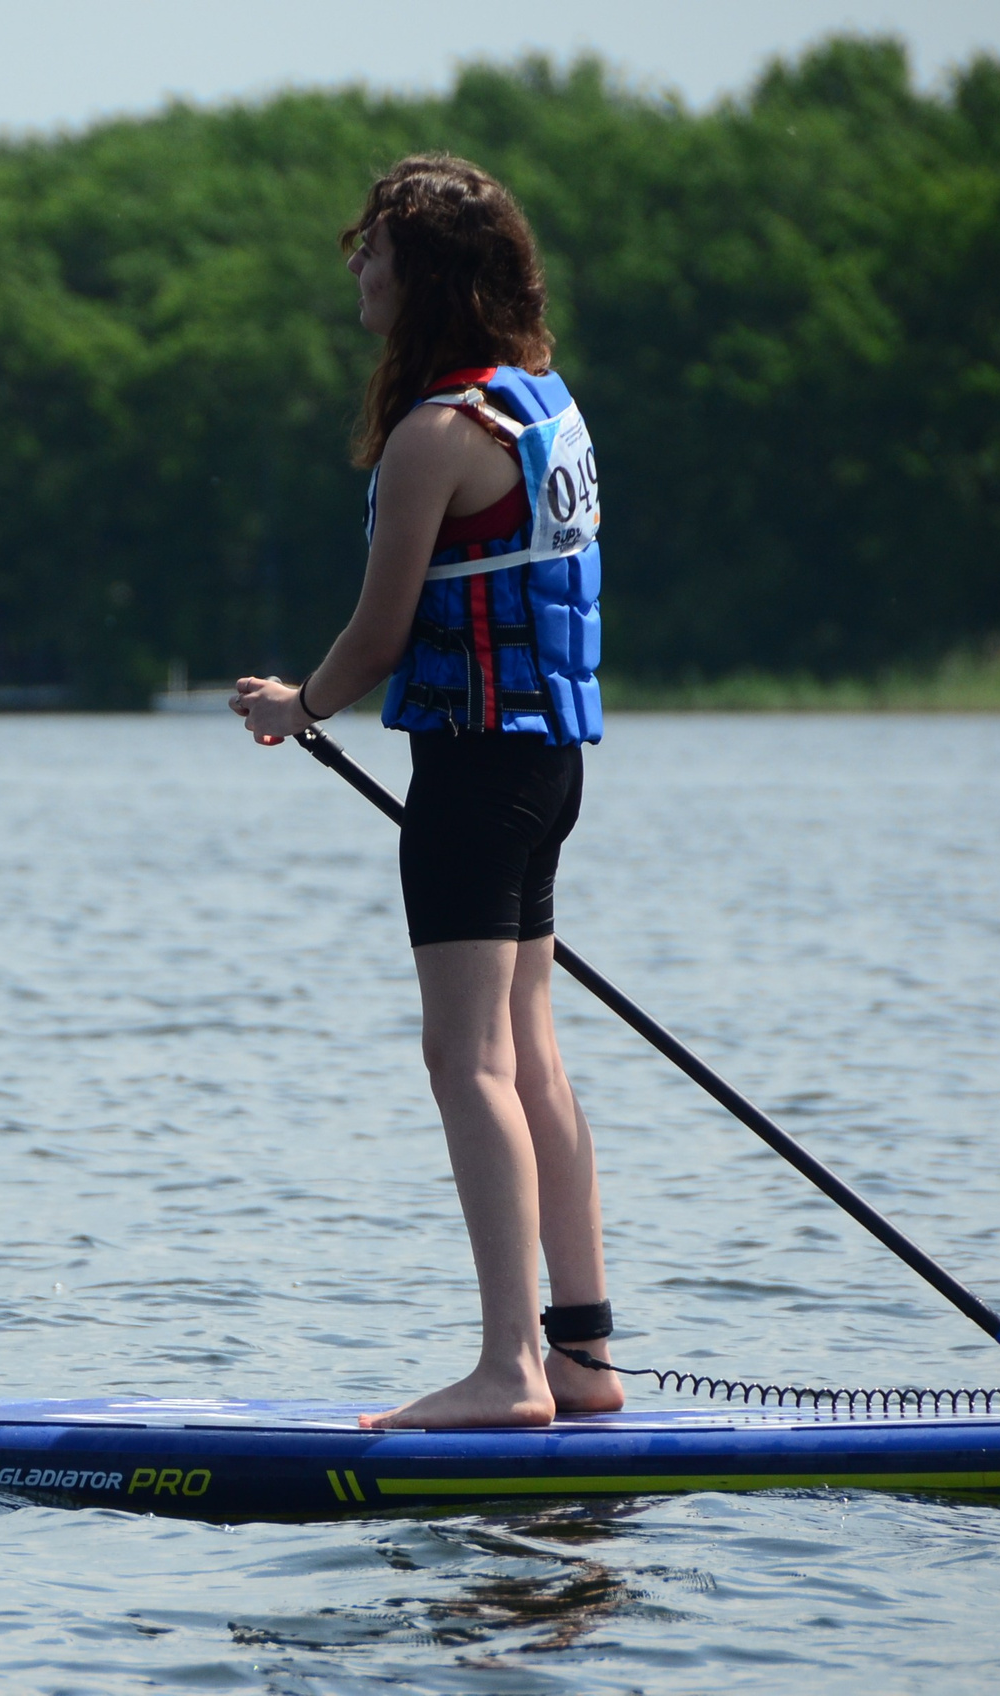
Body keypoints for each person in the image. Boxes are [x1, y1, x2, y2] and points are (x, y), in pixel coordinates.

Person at [232, 154, 615, 1429]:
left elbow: (379, 633)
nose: (358, 265)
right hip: (546, 763)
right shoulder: (539, 402)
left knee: (466, 1058)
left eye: (375, 248)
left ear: (428, 273)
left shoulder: (433, 436)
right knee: (532, 1053)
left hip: (471, 768)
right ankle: (584, 1356)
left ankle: (511, 1372)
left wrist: (300, 706)